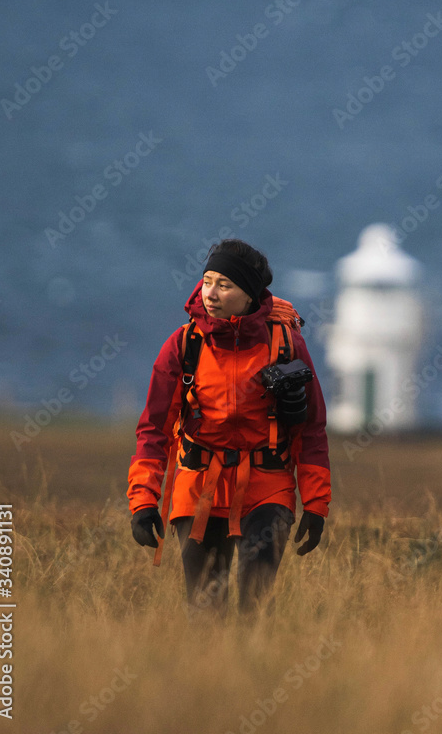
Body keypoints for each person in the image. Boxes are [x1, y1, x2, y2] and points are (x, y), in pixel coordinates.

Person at [127, 238, 331, 614]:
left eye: (225, 284)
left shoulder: (286, 344)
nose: (211, 293)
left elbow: (312, 429)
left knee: (256, 603)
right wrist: (143, 502)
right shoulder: (183, 345)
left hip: (267, 487)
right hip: (197, 487)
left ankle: (256, 669)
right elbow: (153, 430)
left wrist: (316, 506)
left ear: (250, 294)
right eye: (207, 281)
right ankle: (210, 673)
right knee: (206, 611)